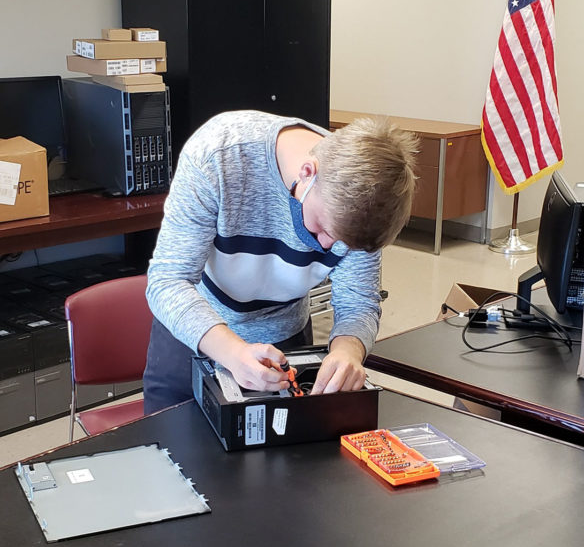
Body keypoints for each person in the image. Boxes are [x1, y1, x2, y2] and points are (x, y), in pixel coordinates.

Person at [143, 110, 417, 415]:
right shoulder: (218, 156)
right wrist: (233, 353)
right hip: (195, 332)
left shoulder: (367, 199)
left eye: (341, 242)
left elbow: (358, 301)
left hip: (286, 342)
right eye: (321, 229)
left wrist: (348, 350)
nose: (326, 246)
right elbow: (168, 281)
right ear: (307, 172)